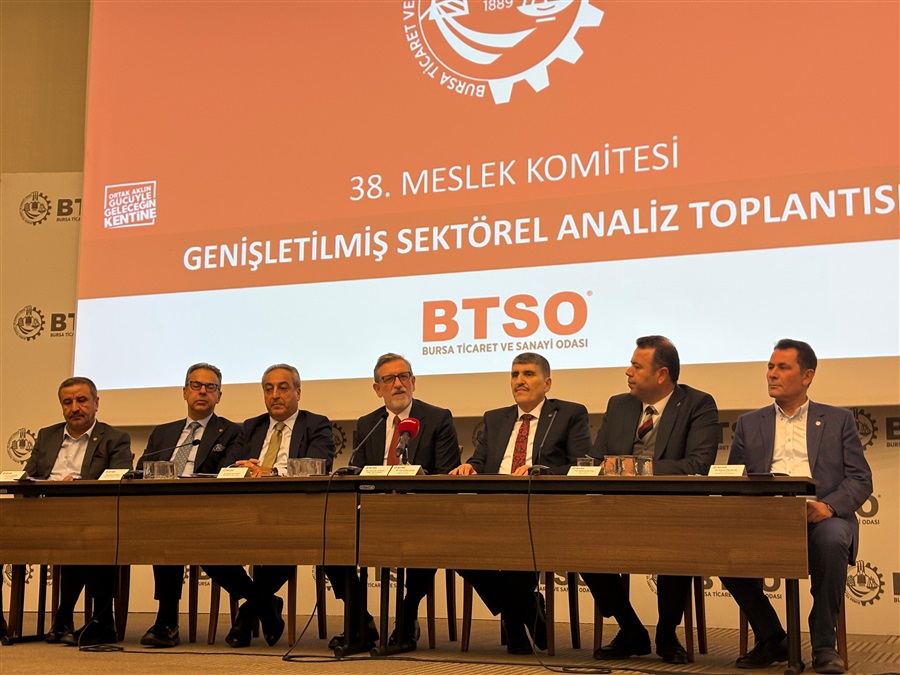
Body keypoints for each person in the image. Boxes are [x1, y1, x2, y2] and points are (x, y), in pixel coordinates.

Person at [721, 340, 872, 674]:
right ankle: (773, 637)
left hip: (821, 517)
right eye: (770, 367)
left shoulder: (838, 420)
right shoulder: (749, 423)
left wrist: (828, 506)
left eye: (782, 367)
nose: (772, 374)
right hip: (767, 519)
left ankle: (824, 645)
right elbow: (734, 479)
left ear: (807, 376)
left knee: (832, 539)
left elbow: (861, 479)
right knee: (723, 545)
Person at [581, 335, 719, 664]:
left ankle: (667, 633)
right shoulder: (619, 405)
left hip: (671, 508)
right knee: (580, 540)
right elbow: (597, 460)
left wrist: (636, 468)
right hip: (617, 507)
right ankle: (630, 628)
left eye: (636, 366)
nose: (627, 372)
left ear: (662, 375)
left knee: (678, 540)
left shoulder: (698, 404)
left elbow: (698, 464)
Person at [450, 352, 591, 654]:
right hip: (493, 506)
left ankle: (514, 626)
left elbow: (582, 465)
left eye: (528, 374)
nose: (519, 381)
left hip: (539, 507)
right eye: (515, 375)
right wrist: (470, 467)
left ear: (547, 383)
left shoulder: (568, 413)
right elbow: (481, 460)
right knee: (453, 546)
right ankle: (529, 611)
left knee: (518, 542)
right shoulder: (495, 417)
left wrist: (542, 471)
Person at [326, 353, 460, 653]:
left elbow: (445, 477)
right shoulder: (368, 424)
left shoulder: (437, 418)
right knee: (328, 539)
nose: (398, 384)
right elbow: (359, 472)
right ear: (378, 389)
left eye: (403, 377)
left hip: (421, 514)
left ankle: (407, 614)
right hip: (375, 514)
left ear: (413, 382)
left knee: (426, 537)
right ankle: (360, 619)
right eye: (389, 379)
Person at [207, 363, 335, 648]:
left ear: (298, 393)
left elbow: (319, 466)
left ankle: (248, 613)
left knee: (286, 539)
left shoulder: (316, 424)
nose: (275, 395)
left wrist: (273, 472)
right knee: (205, 546)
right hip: (247, 512)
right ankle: (265, 604)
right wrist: (241, 469)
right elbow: (226, 467)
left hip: (294, 513)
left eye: (283, 388)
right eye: (268, 389)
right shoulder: (250, 427)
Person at [137, 362, 242, 648]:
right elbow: (142, 470)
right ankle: (262, 600)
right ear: (184, 392)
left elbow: (226, 473)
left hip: (207, 511)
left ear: (219, 396)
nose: (203, 391)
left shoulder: (233, 431)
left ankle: (166, 620)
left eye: (211, 387)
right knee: (164, 527)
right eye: (196, 385)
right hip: (163, 509)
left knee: (170, 531)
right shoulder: (163, 433)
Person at [24, 376, 132, 646]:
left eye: (82, 400)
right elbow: (29, 476)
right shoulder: (47, 435)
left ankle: (72, 617)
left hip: (93, 517)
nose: (75, 408)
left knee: (87, 534)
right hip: (46, 514)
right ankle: (90, 620)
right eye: (67, 402)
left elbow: (119, 479)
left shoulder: (115, 438)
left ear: (96, 403)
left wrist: (80, 484)